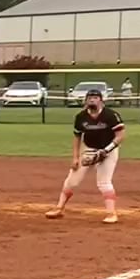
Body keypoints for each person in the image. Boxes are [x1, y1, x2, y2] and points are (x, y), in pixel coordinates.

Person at [45, 88, 123, 224]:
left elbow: (120, 136)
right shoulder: (81, 117)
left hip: (108, 151)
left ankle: (112, 214)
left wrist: (106, 150)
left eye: (95, 97)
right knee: (71, 180)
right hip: (88, 149)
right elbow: (77, 137)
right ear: (86, 101)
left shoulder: (111, 115)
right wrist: (75, 157)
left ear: (101, 101)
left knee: (104, 182)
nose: (92, 100)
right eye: (90, 98)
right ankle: (59, 208)